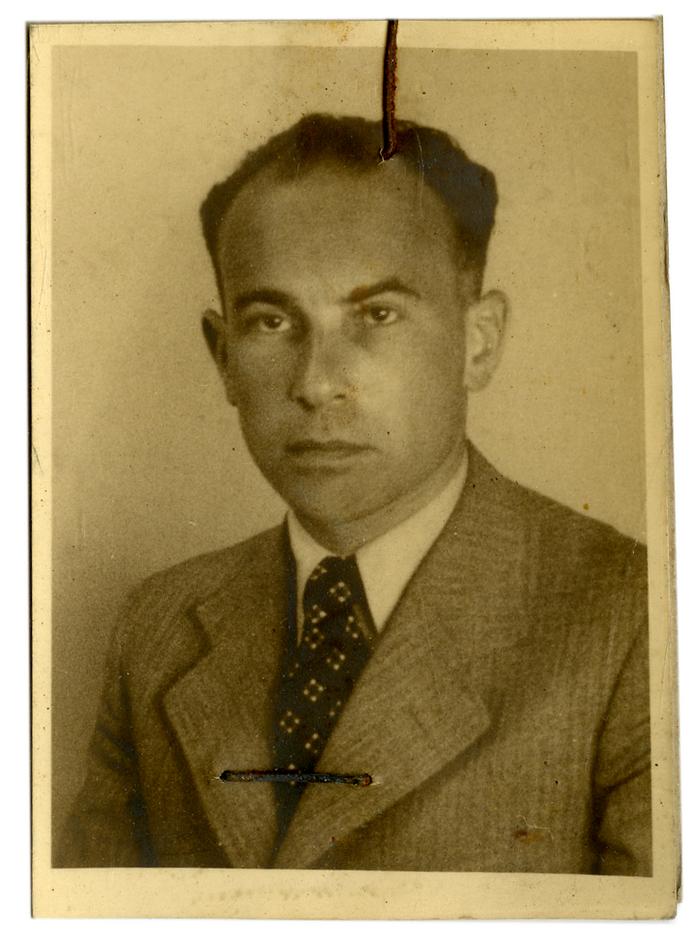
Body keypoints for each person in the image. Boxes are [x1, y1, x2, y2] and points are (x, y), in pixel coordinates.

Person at [57, 113, 651, 874]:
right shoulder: (158, 626)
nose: (316, 383)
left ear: (479, 341)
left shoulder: (632, 617)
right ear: (223, 357)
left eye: (377, 314)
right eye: (272, 321)